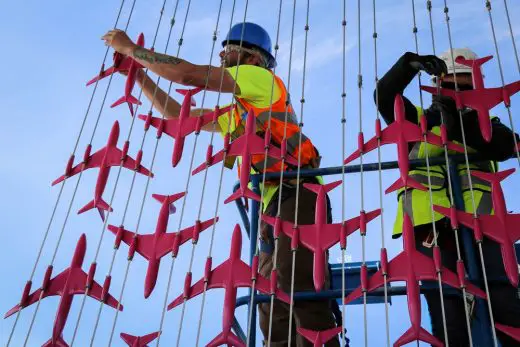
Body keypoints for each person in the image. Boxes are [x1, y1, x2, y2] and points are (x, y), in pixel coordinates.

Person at [102, 22, 340, 346]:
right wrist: (139, 76)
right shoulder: (238, 113)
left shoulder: (260, 79)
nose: (221, 55)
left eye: (229, 50)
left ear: (253, 58)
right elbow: (178, 117)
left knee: (295, 278)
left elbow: (187, 75)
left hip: (299, 191)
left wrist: (131, 48)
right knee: (271, 304)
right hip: (272, 210)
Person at [377, 48, 520, 346]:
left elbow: (507, 146)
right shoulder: (417, 121)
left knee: (506, 305)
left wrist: (458, 121)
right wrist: (407, 65)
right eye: (451, 84)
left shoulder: (488, 124)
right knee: (448, 317)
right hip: (430, 227)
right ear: (437, 84)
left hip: (485, 228)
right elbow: (385, 95)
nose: (458, 91)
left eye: (465, 86)